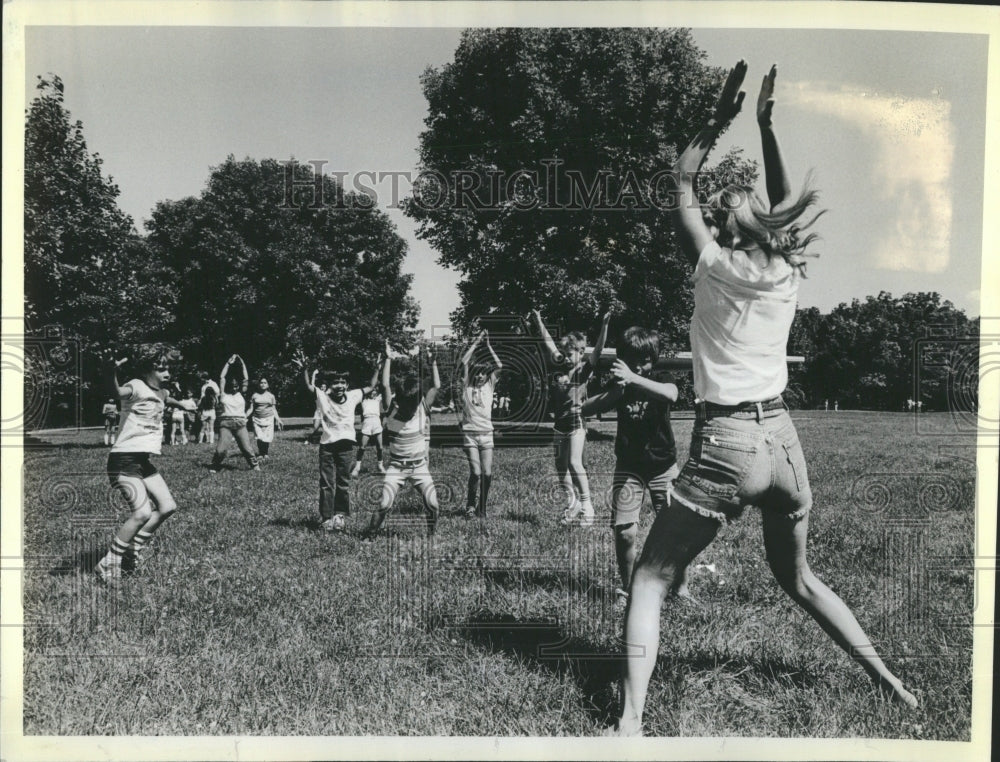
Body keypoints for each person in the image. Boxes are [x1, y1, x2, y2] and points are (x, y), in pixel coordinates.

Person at [610, 63, 916, 736]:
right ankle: (888, 680)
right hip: (783, 442)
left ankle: (630, 721)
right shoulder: (783, 271)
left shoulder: (712, 266)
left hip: (726, 446)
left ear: (724, 229)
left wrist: (717, 119)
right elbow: (775, 201)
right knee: (801, 578)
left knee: (652, 580)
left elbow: (682, 179)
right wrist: (767, 125)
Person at [582, 327, 686, 609]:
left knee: (674, 529)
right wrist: (617, 391)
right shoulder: (621, 385)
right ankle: (627, 590)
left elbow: (671, 394)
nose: (640, 365)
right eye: (633, 359)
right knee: (625, 532)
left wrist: (634, 378)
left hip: (663, 466)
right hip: (629, 468)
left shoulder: (661, 378)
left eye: (646, 360)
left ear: (654, 360)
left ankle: (680, 586)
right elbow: (586, 409)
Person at [95, 346, 185, 587]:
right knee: (142, 512)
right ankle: (110, 561)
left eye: (170, 368)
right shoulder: (135, 385)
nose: (167, 372)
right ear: (147, 369)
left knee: (168, 506)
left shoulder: (163, 393)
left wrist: (185, 404)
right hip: (123, 459)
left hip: (142, 461)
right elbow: (115, 391)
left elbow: (166, 399)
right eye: (161, 368)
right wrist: (109, 372)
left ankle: (131, 549)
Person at [532, 308, 611, 527]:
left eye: (571, 353)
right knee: (560, 466)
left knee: (575, 463)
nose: (566, 357)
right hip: (560, 423)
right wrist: (539, 320)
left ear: (581, 352)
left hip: (577, 422)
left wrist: (604, 326)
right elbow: (548, 342)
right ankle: (572, 502)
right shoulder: (561, 364)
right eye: (565, 353)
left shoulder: (583, 370)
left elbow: (598, 350)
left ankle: (588, 506)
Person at [364, 340, 441, 538]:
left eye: (413, 406)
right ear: (398, 400)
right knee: (384, 504)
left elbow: (437, 385)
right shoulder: (391, 409)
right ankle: (371, 533)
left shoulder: (423, 407)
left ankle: (431, 533)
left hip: (419, 467)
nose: (410, 410)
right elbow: (385, 384)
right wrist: (388, 358)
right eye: (407, 406)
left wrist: (433, 363)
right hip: (397, 467)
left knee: (433, 504)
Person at [294, 349, 374, 532]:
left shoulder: (353, 396)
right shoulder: (322, 397)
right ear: (329, 385)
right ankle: (326, 517)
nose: (340, 385)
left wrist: (379, 366)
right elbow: (308, 386)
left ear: (347, 385)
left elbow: (371, 386)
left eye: (343, 382)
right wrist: (305, 369)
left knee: (343, 482)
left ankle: (339, 515)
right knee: (326, 483)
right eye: (336, 382)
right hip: (327, 446)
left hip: (346, 446)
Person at [459, 330, 502, 518]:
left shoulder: (489, 386)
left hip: (486, 434)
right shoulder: (466, 386)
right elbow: (464, 362)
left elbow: (499, 365)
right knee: (475, 473)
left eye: (484, 374)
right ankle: (470, 504)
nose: (480, 376)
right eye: (478, 373)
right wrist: (476, 342)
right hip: (469, 433)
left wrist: (489, 345)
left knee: (487, 473)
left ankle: (482, 506)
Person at [209, 354, 259, 472]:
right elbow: (222, 377)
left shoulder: (241, 394)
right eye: (232, 386)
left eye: (236, 386)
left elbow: (246, 378)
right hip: (225, 424)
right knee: (221, 450)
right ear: (228, 386)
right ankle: (215, 465)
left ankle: (255, 465)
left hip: (240, 424)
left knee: (247, 449)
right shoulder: (223, 395)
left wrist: (242, 364)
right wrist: (228, 363)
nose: (234, 388)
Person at [353, 356, 386, 476]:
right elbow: (370, 385)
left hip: (376, 422)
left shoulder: (378, 399)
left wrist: (379, 369)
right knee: (362, 446)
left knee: (380, 447)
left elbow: (383, 384)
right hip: (367, 422)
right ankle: (357, 467)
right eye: (372, 390)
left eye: (375, 390)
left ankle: (380, 466)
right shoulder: (363, 399)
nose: (373, 391)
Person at [249, 378, 283, 461]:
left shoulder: (271, 396)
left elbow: (274, 409)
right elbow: (251, 408)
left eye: (265, 383)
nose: (263, 384)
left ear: (267, 385)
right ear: (259, 384)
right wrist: (244, 416)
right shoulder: (254, 395)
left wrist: (278, 419)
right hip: (257, 418)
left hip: (269, 418)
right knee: (259, 437)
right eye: (261, 383)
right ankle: (261, 453)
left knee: (266, 437)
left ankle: (265, 453)